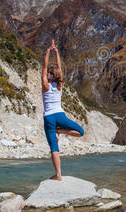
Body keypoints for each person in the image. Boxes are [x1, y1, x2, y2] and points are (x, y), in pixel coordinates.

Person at [42, 39, 84, 181]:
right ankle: (60, 131)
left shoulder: (45, 86)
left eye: (48, 74)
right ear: (58, 76)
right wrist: (56, 52)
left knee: (54, 148)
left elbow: (44, 66)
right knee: (81, 132)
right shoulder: (60, 86)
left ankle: (58, 175)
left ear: (48, 76)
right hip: (60, 116)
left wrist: (48, 51)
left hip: (49, 118)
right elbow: (59, 67)